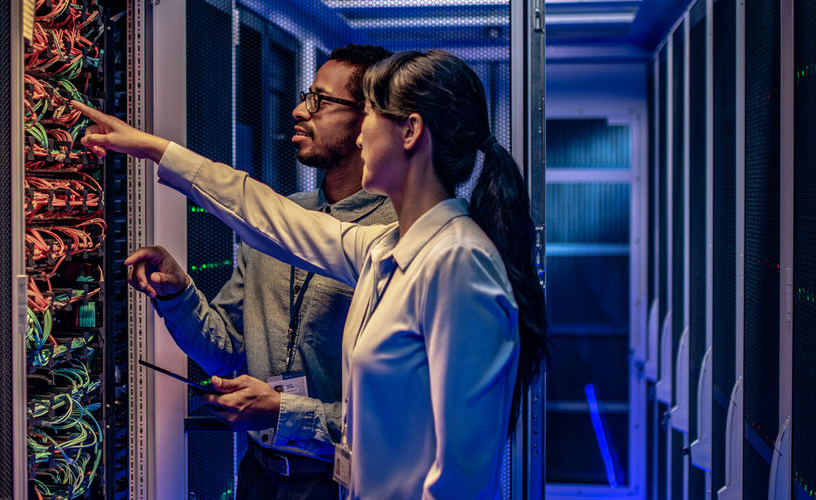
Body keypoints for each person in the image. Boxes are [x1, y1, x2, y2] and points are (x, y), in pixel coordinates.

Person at [75, 49, 547, 499]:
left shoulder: (458, 262)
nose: (362, 137)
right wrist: (156, 150)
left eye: (372, 117)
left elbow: (462, 481)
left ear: (410, 131)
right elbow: (268, 215)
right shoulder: (386, 248)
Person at [122, 45, 395, 500]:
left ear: (369, 119)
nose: (298, 110)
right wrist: (178, 294)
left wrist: (283, 412)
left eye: (319, 101)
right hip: (259, 476)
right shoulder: (281, 221)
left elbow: (394, 415)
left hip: (340, 484)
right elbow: (228, 352)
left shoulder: (392, 240)